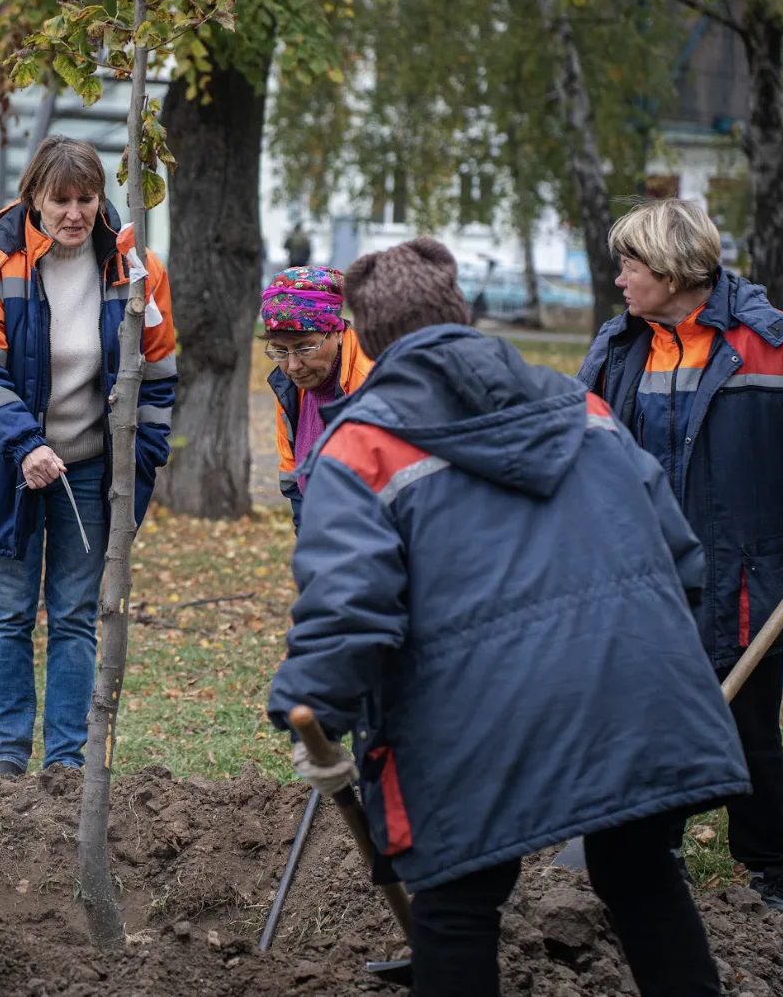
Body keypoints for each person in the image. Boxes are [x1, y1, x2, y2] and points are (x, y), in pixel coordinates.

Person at [271, 238, 749, 997]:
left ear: (367, 336)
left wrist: (312, 707)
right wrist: (663, 668)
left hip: (479, 718)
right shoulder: (582, 406)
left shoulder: (358, 446)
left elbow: (346, 605)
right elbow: (681, 557)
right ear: (461, 313)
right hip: (631, 688)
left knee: (456, 900)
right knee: (638, 869)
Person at [578, 197, 783, 910]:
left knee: (748, 727)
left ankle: (768, 872)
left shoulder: (776, 343)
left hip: (742, 574)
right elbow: (576, 438)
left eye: (630, 264)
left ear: (674, 268)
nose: (619, 279)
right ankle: (660, 854)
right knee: (650, 718)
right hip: (645, 575)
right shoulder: (620, 346)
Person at [0, 135, 176, 776]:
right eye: (60, 200)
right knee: (10, 613)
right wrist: (25, 445)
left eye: (86, 198)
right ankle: (7, 762)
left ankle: (67, 765)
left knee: (75, 616)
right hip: (11, 466)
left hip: (93, 469)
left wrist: (141, 462)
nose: (74, 214)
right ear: (34, 199)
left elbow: (158, 374)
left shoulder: (135, 268)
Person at [262, 266, 375, 526]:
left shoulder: (372, 384)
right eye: (279, 350)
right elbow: (292, 471)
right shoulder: (289, 387)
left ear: (335, 332)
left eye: (304, 348)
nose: (292, 366)